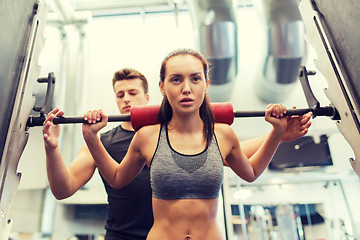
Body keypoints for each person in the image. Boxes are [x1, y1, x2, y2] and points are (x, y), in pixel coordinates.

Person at [81, 48, 312, 240]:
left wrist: (277, 131)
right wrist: (91, 138)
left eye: (195, 78)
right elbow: (117, 178)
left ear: (206, 84)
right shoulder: (147, 137)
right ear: (162, 87)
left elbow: (251, 172)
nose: (186, 88)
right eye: (176, 79)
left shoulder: (223, 135)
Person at [42, 68, 154, 240]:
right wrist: (52, 148)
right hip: (120, 236)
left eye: (133, 92)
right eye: (120, 94)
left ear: (147, 97)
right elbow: (63, 189)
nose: (126, 99)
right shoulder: (101, 142)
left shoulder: (165, 137)